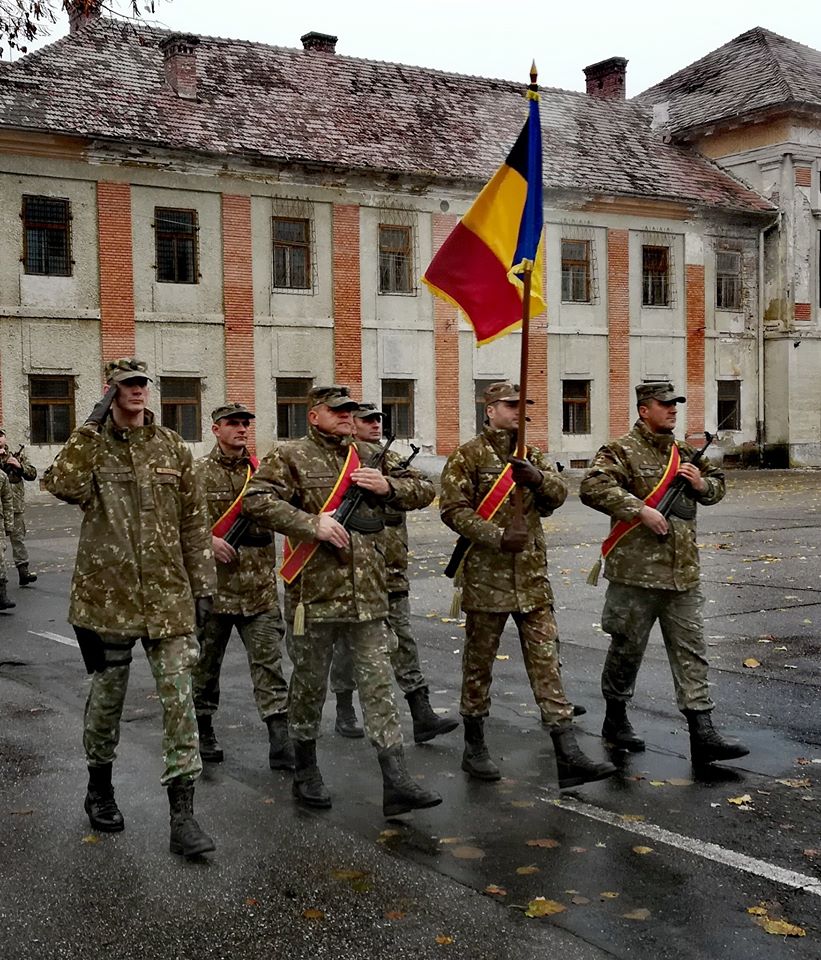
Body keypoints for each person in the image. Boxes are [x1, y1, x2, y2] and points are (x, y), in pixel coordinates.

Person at [43, 358, 217, 857]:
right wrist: (91, 424)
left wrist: (203, 587)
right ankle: (99, 788)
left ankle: (183, 816)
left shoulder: (171, 446)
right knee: (107, 701)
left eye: (143, 383)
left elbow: (194, 521)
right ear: (111, 391)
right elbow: (62, 484)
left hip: (168, 597)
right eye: (127, 384)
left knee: (180, 701)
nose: (138, 390)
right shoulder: (93, 446)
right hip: (109, 601)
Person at [242, 384, 442, 817]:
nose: (347, 415)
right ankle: (306, 769)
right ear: (314, 415)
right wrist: (310, 523)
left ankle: (396, 779)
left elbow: (425, 489)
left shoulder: (369, 455)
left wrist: (388, 486)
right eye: (337, 410)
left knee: (378, 685)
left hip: (367, 595)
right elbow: (255, 500)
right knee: (309, 686)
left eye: (350, 409)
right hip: (314, 597)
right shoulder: (290, 456)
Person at [439, 381, 615, 789]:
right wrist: (497, 536)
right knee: (478, 665)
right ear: (489, 409)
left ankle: (567, 752)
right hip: (488, 579)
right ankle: (474, 745)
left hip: (532, 580)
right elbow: (453, 510)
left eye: (522, 404)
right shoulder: (468, 455)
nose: (518, 410)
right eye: (510, 404)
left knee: (546, 663)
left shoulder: (531, 454)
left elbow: (558, 495)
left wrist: (537, 478)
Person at [579, 381, 749, 767]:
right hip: (635, 575)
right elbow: (592, 486)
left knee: (692, 651)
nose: (673, 409)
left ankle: (703, 732)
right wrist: (640, 510)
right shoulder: (620, 450)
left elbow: (717, 486)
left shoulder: (685, 452)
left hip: (682, 574)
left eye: (675, 404)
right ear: (644, 409)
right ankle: (616, 718)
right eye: (665, 404)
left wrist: (701, 484)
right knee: (626, 650)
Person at [329, 402, 458, 743]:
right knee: (347, 645)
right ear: (351, 424)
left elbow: (425, 489)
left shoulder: (390, 459)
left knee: (403, 640)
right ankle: (344, 707)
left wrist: (388, 486)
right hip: (351, 570)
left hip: (391, 569)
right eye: (367, 420)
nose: (375, 424)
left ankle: (421, 712)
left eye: (378, 419)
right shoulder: (339, 460)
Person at [192, 402, 294, 771]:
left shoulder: (262, 473)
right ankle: (203, 731)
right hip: (213, 592)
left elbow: (288, 511)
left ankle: (280, 740)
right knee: (204, 668)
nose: (241, 429)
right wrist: (208, 542)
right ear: (215, 429)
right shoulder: (196, 473)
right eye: (232, 423)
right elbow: (174, 523)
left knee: (269, 667)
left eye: (245, 424)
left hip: (259, 592)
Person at [0, 430, 38, 586]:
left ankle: (23, 571)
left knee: (18, 540)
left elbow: (32, 474)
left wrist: (19, 466)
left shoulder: (16, 456)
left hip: (15, 507)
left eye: (1, 437)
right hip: (0, 509)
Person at [0, 463, 14, 610]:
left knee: (0, 558)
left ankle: (1, 595)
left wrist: (9, 524)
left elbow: (7, 500)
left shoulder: (2, 476)